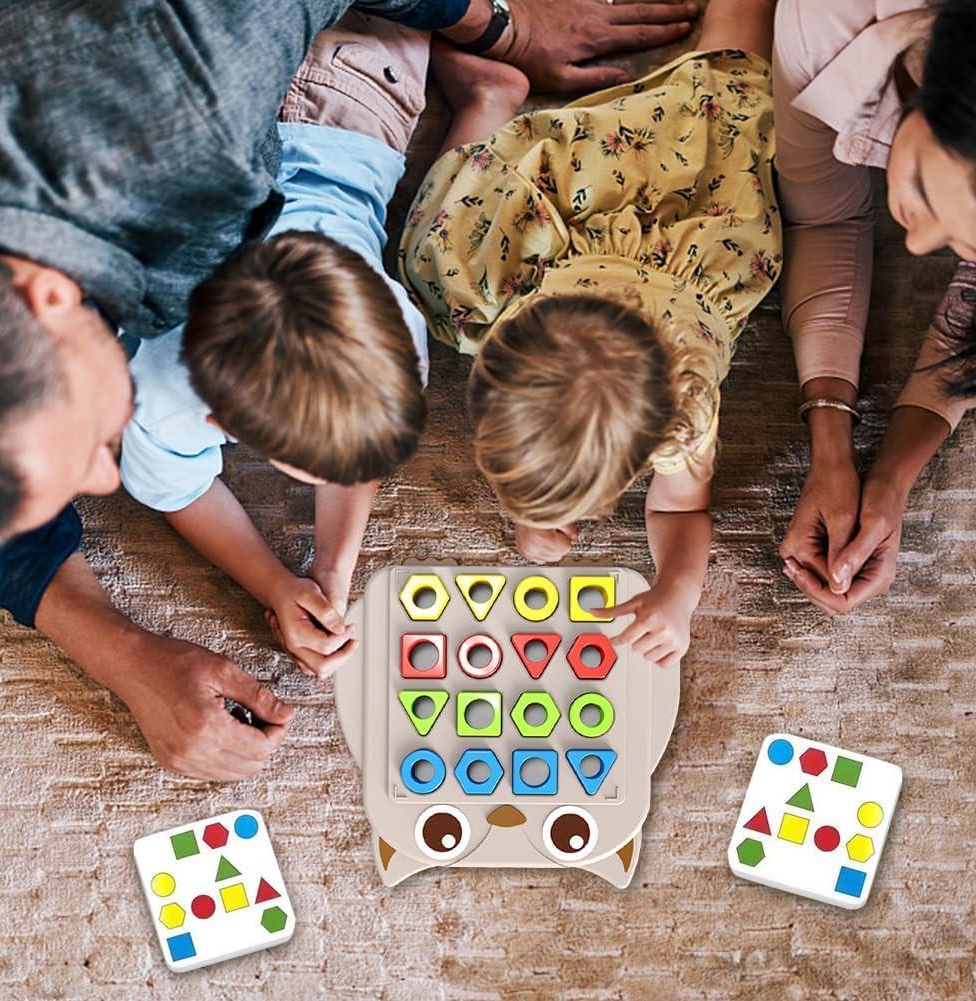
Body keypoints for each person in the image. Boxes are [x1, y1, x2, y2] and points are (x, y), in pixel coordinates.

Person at [0, 0, 701, 781]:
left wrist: (498, 23)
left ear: (42, 295)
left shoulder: (193, 96)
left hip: (308, 84)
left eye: (81, 450)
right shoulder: (183, 342)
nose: (106, 480)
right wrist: (128, 652)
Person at [401, 0, 780, 666]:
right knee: (437, 257)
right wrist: (530, 506)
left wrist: (677, 592)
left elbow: (679, 513)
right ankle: (488, 99)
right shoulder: (508, 294)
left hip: (673, 222)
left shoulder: (685, 412)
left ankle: (493, 96)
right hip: (590, 197)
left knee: (731, 85)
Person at [121, 14, 434, 680]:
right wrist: (272, 581)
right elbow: (175, 491)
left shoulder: (397, 338)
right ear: (219, 420)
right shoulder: (159, 386)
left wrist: (331, 565)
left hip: (331, 97)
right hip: (339, 90)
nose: (346, 481)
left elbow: (356, 440)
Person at [774, 0, 976, 615]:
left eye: (965, 244)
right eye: (918, 183)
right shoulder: (827, 21)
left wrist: (888, 482)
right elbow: (825, 218)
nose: (915, 246)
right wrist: (828, 442)